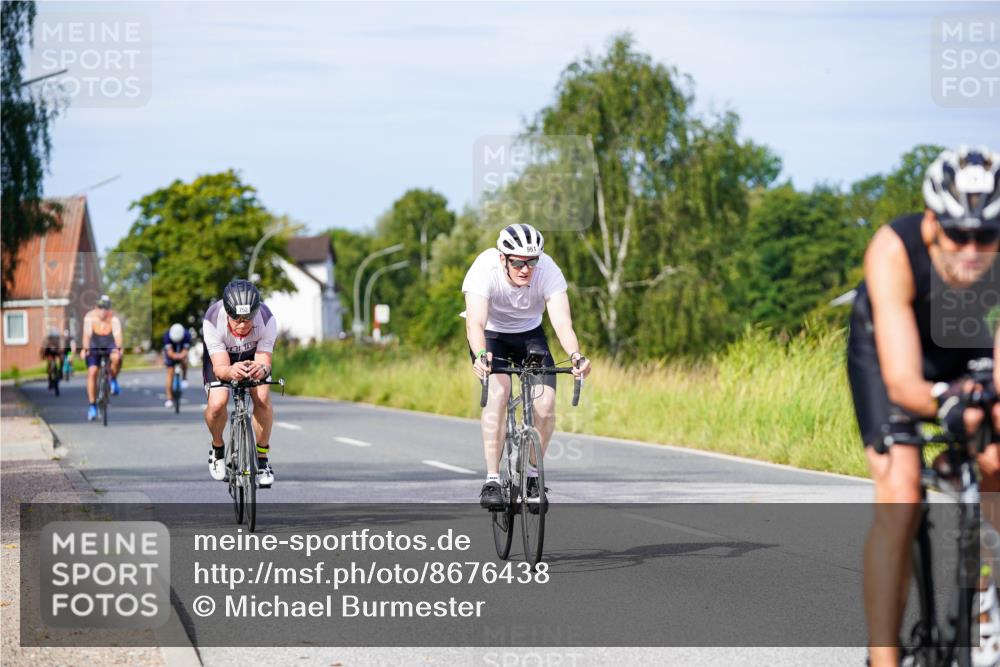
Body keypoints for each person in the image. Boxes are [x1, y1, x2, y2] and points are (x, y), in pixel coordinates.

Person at [847, 146, 1000, 667]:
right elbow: (905, 382)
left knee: (997, 461)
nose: (973, 250)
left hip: (964, 342)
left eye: (987, 235)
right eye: (959, 234)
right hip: (891, 351)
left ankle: (986, 612)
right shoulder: (892, 250)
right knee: (901, 495)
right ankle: (884, 658)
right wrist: (946, 405)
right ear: (934, 224)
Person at [463, 223, 592, 509]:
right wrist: (481, 354)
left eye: (531, 261)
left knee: (545, 405)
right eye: (518, 262)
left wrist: (575, 355)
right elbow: (475, 322)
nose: (526, 269)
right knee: (499, 392)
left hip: (530, 334)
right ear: (503, 259)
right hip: (491, 336)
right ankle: (492, 480)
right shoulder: (484, 268)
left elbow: (561, 322)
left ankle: (532, 476)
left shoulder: (548, 270)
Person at [202, 279, 278, 488]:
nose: (243, 325)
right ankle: (217, 447)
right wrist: (230, 371)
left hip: (253, 355)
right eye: (237, 319)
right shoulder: (212, 319)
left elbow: (264, 361)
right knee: (217, 404)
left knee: (262, 398)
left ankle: (262, 461)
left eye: (248, 318)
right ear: (227, 313)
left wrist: (261, 369)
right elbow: (219, 368)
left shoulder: (267, 318)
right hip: (223, 359)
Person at [80, 294, 123, 421]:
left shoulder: (113, 318)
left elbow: (118, 335)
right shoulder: (89, 317)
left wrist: (119, 349)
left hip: (109, 342)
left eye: (106, 307)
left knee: (116, 357)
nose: (103, 310)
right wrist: (85, 349)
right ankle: (92, 405)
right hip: (95, 344)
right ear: (95, 307)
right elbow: (87, 336)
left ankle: (113, 379)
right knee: (92, 371)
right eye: (100, 307)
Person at [163, 323, 191, 409]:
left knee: (184, 361)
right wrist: (175, 356)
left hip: (182, 349)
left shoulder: (187, 335)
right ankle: (169, 398)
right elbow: (170, 352)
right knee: (170, 373)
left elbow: (185, 351)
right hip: (172, 351)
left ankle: (184, 377)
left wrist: (181, 356)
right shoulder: (167, 336)